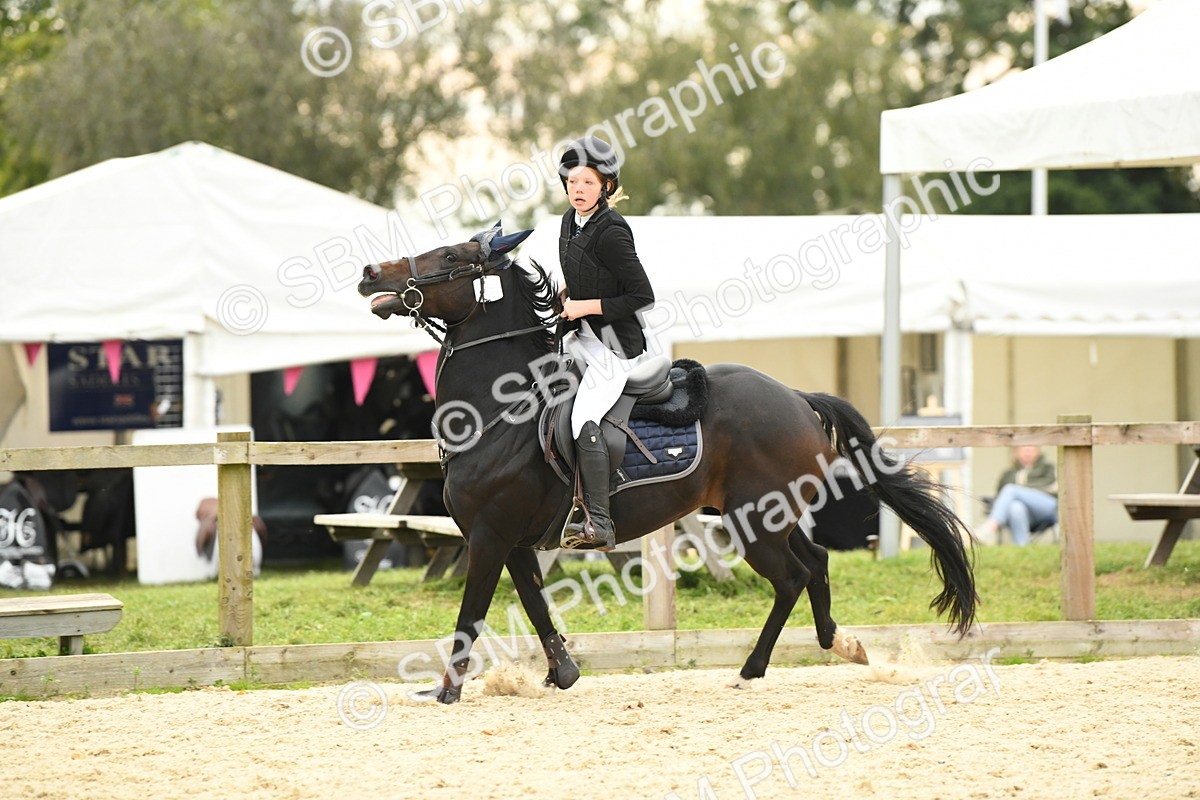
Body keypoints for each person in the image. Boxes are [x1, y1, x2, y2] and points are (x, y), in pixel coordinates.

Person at [555, 135, 656, 551]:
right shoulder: (568, 221)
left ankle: (600, 522)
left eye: (588, 183)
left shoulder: (613, 231)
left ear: (606, 188)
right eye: (573, 182)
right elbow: (580, 275)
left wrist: (583, 306)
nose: (578, 190)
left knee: (582, 420)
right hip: (583, 338)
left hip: (617, 349)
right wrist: (563, 297)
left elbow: (642, 296)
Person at [977, 445, 1058, 545]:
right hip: (1027, 514)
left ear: (1038, 451)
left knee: (1010, 489)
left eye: (1031, 450)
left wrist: (1021, 488)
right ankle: (1022, 547)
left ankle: (990, 528)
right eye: (1024, 450)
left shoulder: (1048, 468)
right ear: (1016, 452)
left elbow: (1049, 485)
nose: (1027, 453)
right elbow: (1000, 495)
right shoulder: (1008, 473)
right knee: (1015, 507)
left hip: (1048, 507)